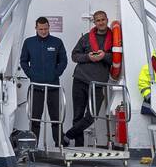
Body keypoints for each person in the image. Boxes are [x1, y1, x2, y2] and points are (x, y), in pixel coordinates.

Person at [19, 17, 67, 144]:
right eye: (41, 29)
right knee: (35, 119)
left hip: (53, 87)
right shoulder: (29, 42)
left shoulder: (57, 42)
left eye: (46, 28)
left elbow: (63, 61)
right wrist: (31, 75)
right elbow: (23, 61)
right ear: (36, 28)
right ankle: (33, 147)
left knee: (56, 118)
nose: (43, 31)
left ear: (49, 27)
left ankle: (59, 145)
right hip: (36, 87)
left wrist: (56, 73)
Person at [68, 10, 114, 145]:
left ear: (107, 20)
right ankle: (79, 147)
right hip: (80, 79)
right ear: (94, 22)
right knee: (78, 115)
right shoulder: (86, 38)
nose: (101, 22)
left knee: (91, 115)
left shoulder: (115, 39)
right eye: (98, 20)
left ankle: (68, 135)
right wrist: (88, 57)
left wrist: (104, 56)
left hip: (98, 83)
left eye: (103, 20)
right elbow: (74, 56)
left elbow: (117, 59)